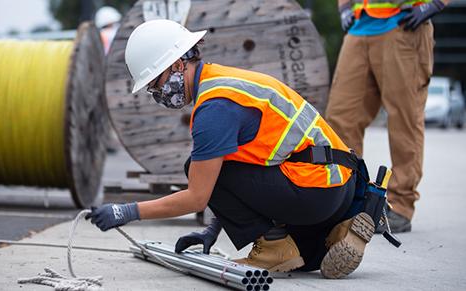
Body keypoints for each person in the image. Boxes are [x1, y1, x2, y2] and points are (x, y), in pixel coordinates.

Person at [86, 19, 375, 279]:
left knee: (195, 169)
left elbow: (198, 197)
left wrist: (126, 212)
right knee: (303, 258)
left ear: (176, 65)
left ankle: (274, 246)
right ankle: (338, 231)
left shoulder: (214, 110)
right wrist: (213, 228)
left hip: (314, 190)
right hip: (339, 185)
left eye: (155, 83)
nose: (157, 94)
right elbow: (246, 170)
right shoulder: (223, 80)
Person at [326, 0, 450, 233]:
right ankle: (345, 200)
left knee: (404, 120)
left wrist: (436, 4)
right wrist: (344, 6)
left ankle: (400, 206)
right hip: (360, 26)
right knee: (340, 119)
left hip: (403, 26)